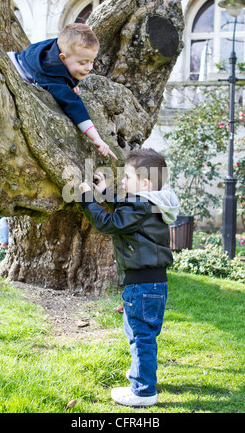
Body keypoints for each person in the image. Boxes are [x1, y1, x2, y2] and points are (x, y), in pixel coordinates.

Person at [78, 148, 179, 407]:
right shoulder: (151, 203)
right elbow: (127, 211)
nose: (122, 182)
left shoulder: (140, 206)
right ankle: (142, 374)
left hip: (142, 284)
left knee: (140, 335)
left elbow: (109, 223)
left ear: (144, 183)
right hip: (153, 282)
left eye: (127, 178)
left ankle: (143, 392)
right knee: (142, 333)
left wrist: (87, 199)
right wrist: (104, 193)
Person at [8, 23, 117, 161]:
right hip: (12, 69)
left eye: (91, 61)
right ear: (63, 58)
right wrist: (96, 138)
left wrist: (69, 82)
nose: (89, 67)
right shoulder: (51, 72)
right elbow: (73, 105)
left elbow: (69, 70)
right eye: (83, 63)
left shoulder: (54, 47)